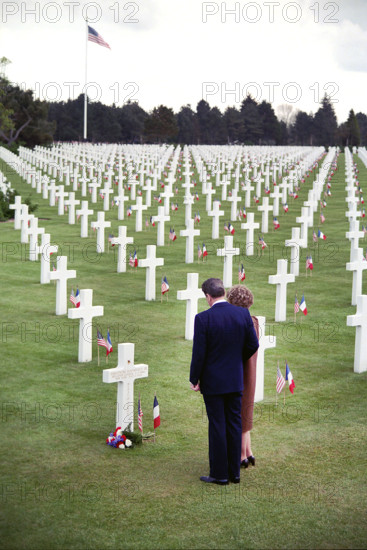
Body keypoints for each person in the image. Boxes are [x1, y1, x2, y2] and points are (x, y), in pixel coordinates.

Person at [189, 278, 259, 485]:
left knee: (218, 425)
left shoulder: (203, 318)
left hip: (213, 382)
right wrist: (236, 360)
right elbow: (252, 345)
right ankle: (234, 473)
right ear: (223, 292)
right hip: (236, 380)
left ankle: (220, 474)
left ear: (208, 297)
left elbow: (199, 353)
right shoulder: (242, 314)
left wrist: (195, 379)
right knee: (234, 424)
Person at [227, 284, 259, 468]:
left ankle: (240, 456)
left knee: (239, 413)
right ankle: (248, 451)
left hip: (241, 372)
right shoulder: (253, 320)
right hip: (252, 372)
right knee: (247, 412)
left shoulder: (239, 323)